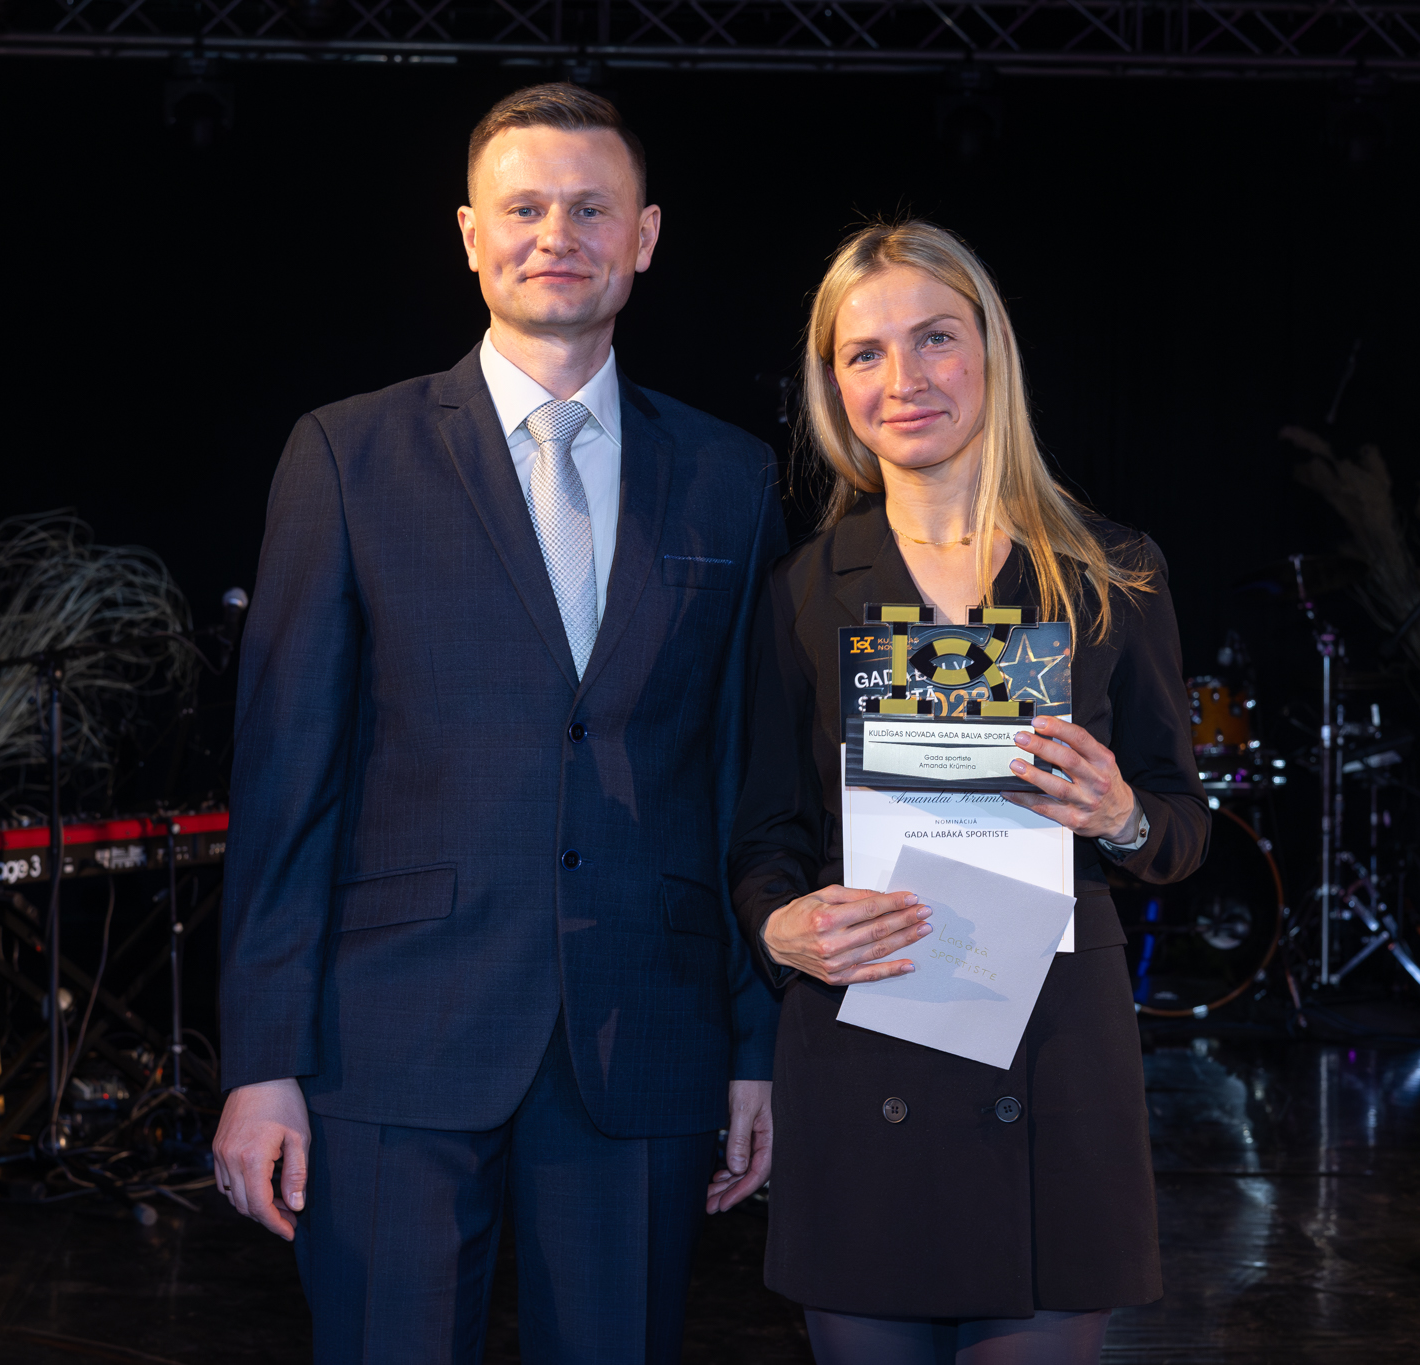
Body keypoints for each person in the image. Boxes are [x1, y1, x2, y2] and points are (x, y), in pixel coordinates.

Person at [214, 83, 787, 1363]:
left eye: (590, 208)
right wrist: (260, 1060)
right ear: (470, 235)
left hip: (645, 1032)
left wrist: (756, 1047)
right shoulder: (346, 456)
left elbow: (743, 783)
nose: (555, 236)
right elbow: (287, 782)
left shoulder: (729, 477)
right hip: (388, 1036)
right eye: (523, 209)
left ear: (644, 236)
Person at [728, 221, 1209, 1364]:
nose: (903, 378)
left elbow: (1181, 827)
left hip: (1053, 1060)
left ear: (990, 351)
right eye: (864, 353)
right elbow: (762, 835)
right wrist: (777, 927)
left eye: (934, 338)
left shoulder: (1109, 573)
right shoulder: (799, 590)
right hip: (866, 1043)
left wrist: (1121, 817)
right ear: (833, 387)